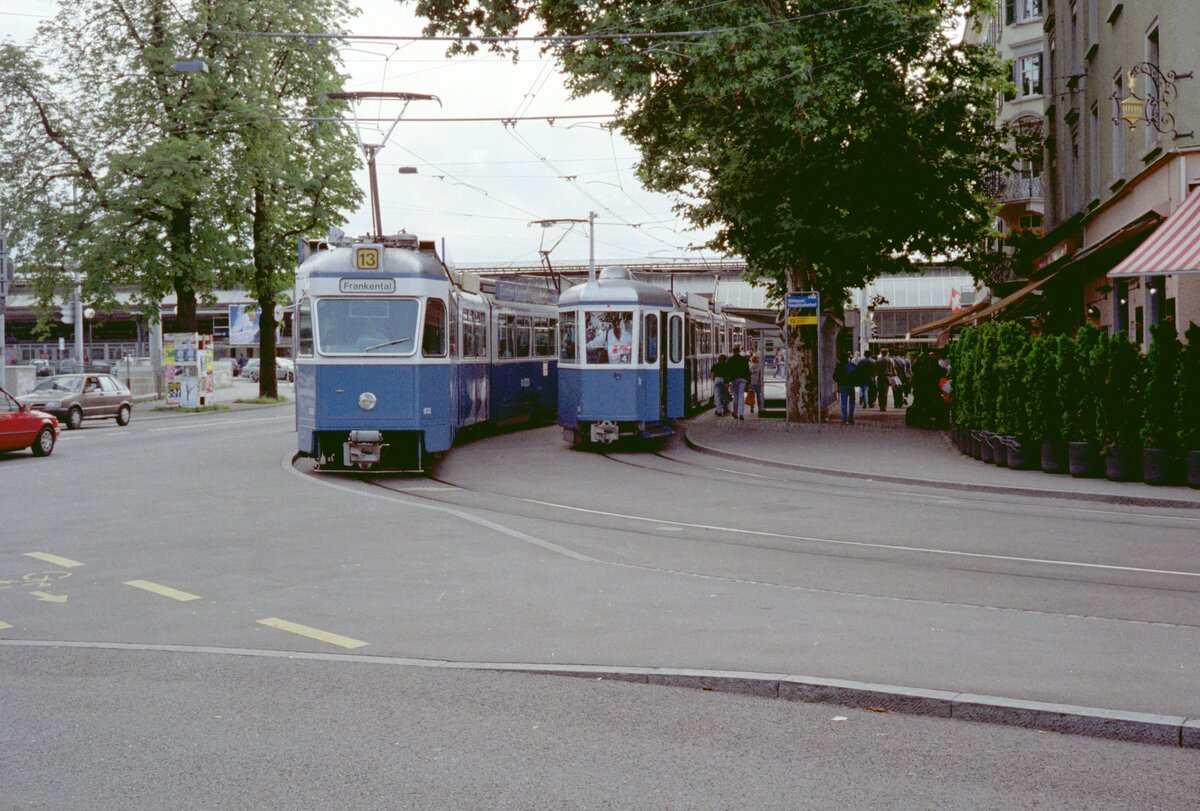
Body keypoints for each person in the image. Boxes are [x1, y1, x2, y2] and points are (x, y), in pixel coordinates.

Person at [726, 346, 752, 421]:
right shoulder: (744, 359)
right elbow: (747, 370)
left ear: (733, 352)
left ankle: (735, 412)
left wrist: (727, 381)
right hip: (743, 379)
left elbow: (728, 371)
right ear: (739, 351)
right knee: (741, 396)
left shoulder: (730, 359)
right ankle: (741, 414)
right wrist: (749, 382)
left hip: (735, 379)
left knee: (736, 396)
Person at [832, 350, 858, 425]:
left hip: (843, 385)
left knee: (843, 402)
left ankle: (844, 418)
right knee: (852, 402)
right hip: (851, 385)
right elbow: (857, 375)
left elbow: (835, 376)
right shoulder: (853, 366)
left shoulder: (839, 366)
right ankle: (851, 417)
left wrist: (839, 381)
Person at [875, 348, 896, 412]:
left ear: (881, 353)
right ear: (887, 353)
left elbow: (875, 369)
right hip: (887, 377)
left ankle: (881, 405)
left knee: (880, 392)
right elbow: (893, 369)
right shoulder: (890, 360)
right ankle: (884, 406)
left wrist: (874, 377)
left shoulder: (878, 360)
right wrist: (895, 375)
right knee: (885, 392)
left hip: (880, 377)